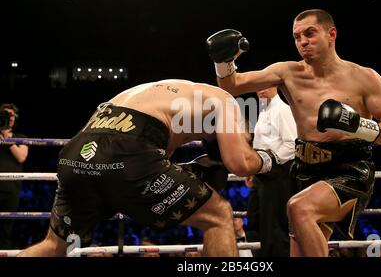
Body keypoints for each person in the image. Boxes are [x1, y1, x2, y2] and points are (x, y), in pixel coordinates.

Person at [206, 9, 381, 257]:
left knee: (299, 207)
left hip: (349, 170)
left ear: (331, 34)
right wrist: (222, 60)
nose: (303, 42)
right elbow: (232, 85)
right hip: (304, 171)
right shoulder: (288, 72)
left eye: (310, 33)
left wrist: (358, 125)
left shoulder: (364, 78)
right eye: (297, 36)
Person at [17, 79, 281, 257]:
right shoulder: (226, 102)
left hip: (78, 150)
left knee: (54, 245)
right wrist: (269, 158)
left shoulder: (167, 96)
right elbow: (240, 162)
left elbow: (152, 162)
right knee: (219, 215)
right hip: (128, 150)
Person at [248, 87, 297, 256]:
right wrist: (252, 168)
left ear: (275, 86)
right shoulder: (263, 110)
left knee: (274, 226)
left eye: (266, 86)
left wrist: (268, 162)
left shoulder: (283, 110)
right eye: (258, 87)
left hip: (278, 174)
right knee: (255, 220)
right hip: (261, 173)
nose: (261, 90)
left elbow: (292, 145)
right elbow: (259, 142)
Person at [0, 103, 29, 249]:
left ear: (15, 118)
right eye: (5, 114)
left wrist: (6, 138)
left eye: (11, 115)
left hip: (12, 189)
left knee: (6, 230)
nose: (9, 118)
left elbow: (21, 157)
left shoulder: (21, 137)